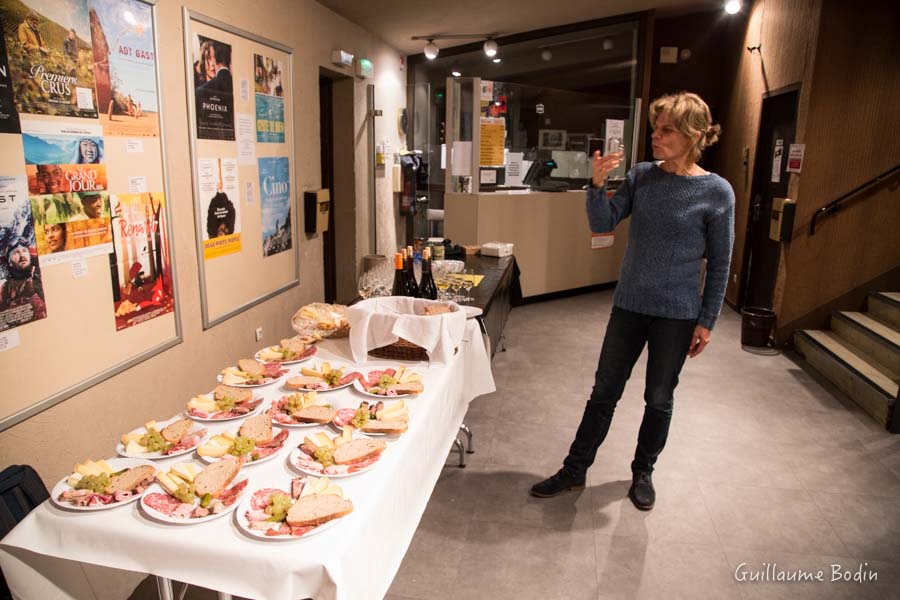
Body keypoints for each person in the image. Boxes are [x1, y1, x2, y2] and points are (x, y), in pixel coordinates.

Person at [531, 92, 735, 510]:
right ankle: (574, 470)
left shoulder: (717, 192)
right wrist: (596, 185)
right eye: (655, 129)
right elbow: (603, 223)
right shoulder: (642, 176)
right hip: (629, 306)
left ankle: (643, 472)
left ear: (694, 135)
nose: (655, 137)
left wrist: (707, 320)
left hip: (677, 315)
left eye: (666, 130)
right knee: (603, 392)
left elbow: (719, 264)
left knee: (659, 398)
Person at [0, 237, 47, 323]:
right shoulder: (5, 288)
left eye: (24, 251)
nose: (22, 255)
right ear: (10, 262)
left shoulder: (40, 278)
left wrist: (32, 293)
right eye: (16, 252)